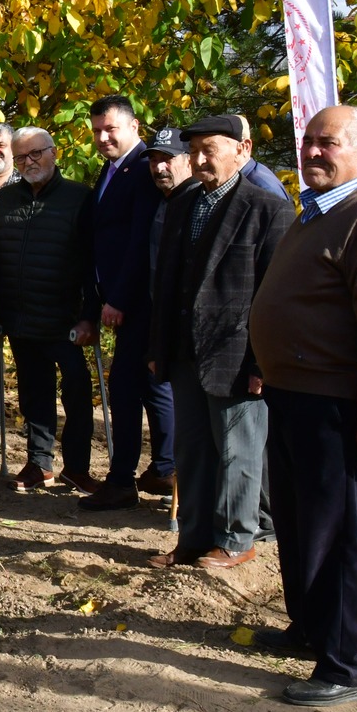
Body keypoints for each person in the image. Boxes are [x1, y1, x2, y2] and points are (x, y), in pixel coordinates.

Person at [248, 105, 357, 707]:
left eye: (329, 143)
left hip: (335, 404)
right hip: (293, 395)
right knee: (299, 524)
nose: (313, 151)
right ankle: (311, 628)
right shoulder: (321, 208)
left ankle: (346, 664)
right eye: (309, 141)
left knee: (338, 533)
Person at [146, 115, 292, 570]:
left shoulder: (268, 210)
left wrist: (262, 364)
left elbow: (276, 297)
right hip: (185, 351)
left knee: (237, 453)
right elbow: (165, 283)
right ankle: (192, 539)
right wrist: (158, 347)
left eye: (209, 149)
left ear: (243, 150)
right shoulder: (183, 203)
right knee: (192, 449)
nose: (198, 159)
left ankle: (236, 540)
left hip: (236, 355)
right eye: (193, 151)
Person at [0, 127, 101, 493]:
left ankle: (77, 467)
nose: (28, 162)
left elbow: (94, 262)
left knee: (77, 392)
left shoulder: (80, 197)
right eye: (21, 157)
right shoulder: (6, 198)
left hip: (66, 318)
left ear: (53, 153)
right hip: (20, 316)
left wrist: (90, 315)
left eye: (35, 154)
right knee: (33, 394)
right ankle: (39, 463)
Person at [81, 96, 164, 511]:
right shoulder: (112, 169)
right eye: (97, 130)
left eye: (110, 129)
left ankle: (146, 473)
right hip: (118, 300)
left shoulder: (144, 168)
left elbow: (140, 242)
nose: (102, 137)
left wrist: (118, 298)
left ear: (134, 127)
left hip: (138, 303)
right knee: (138, 387)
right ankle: (158, 469)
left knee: (139, 387)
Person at [138, 129, 197, 496]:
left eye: (168, 159)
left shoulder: (195, 201)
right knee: (156, 387)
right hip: (157, 313)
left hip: (184, 321)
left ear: (189, 160)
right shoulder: (165, 200)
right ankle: (165, 466)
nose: (160, 167)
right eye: (155, 160)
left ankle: (173, 471)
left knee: (170, 393)